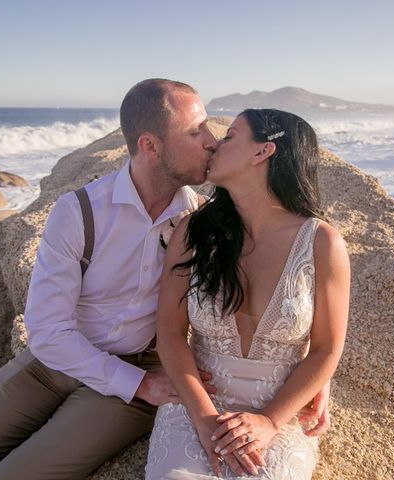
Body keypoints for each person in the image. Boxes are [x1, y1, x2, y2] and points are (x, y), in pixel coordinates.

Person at [0, 80, 329, 480]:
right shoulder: (78, 212)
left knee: (14, 475)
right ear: (150, 145)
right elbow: (46, 330)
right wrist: (142, 384)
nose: (211, 141)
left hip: (137, 373)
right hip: (54, 363)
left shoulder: (202, 222)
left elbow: (281, 295)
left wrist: (314, 382)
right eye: (195, 131)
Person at [146, 109, 350, 479]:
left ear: (263, 152)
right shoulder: (194, 231)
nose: (214, 145)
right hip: (197, 402)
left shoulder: (321, 242)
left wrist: (270, 422)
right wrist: (205, 419)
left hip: (280, 410)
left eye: (230, 136)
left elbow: (326, 349)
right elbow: (171, 332)